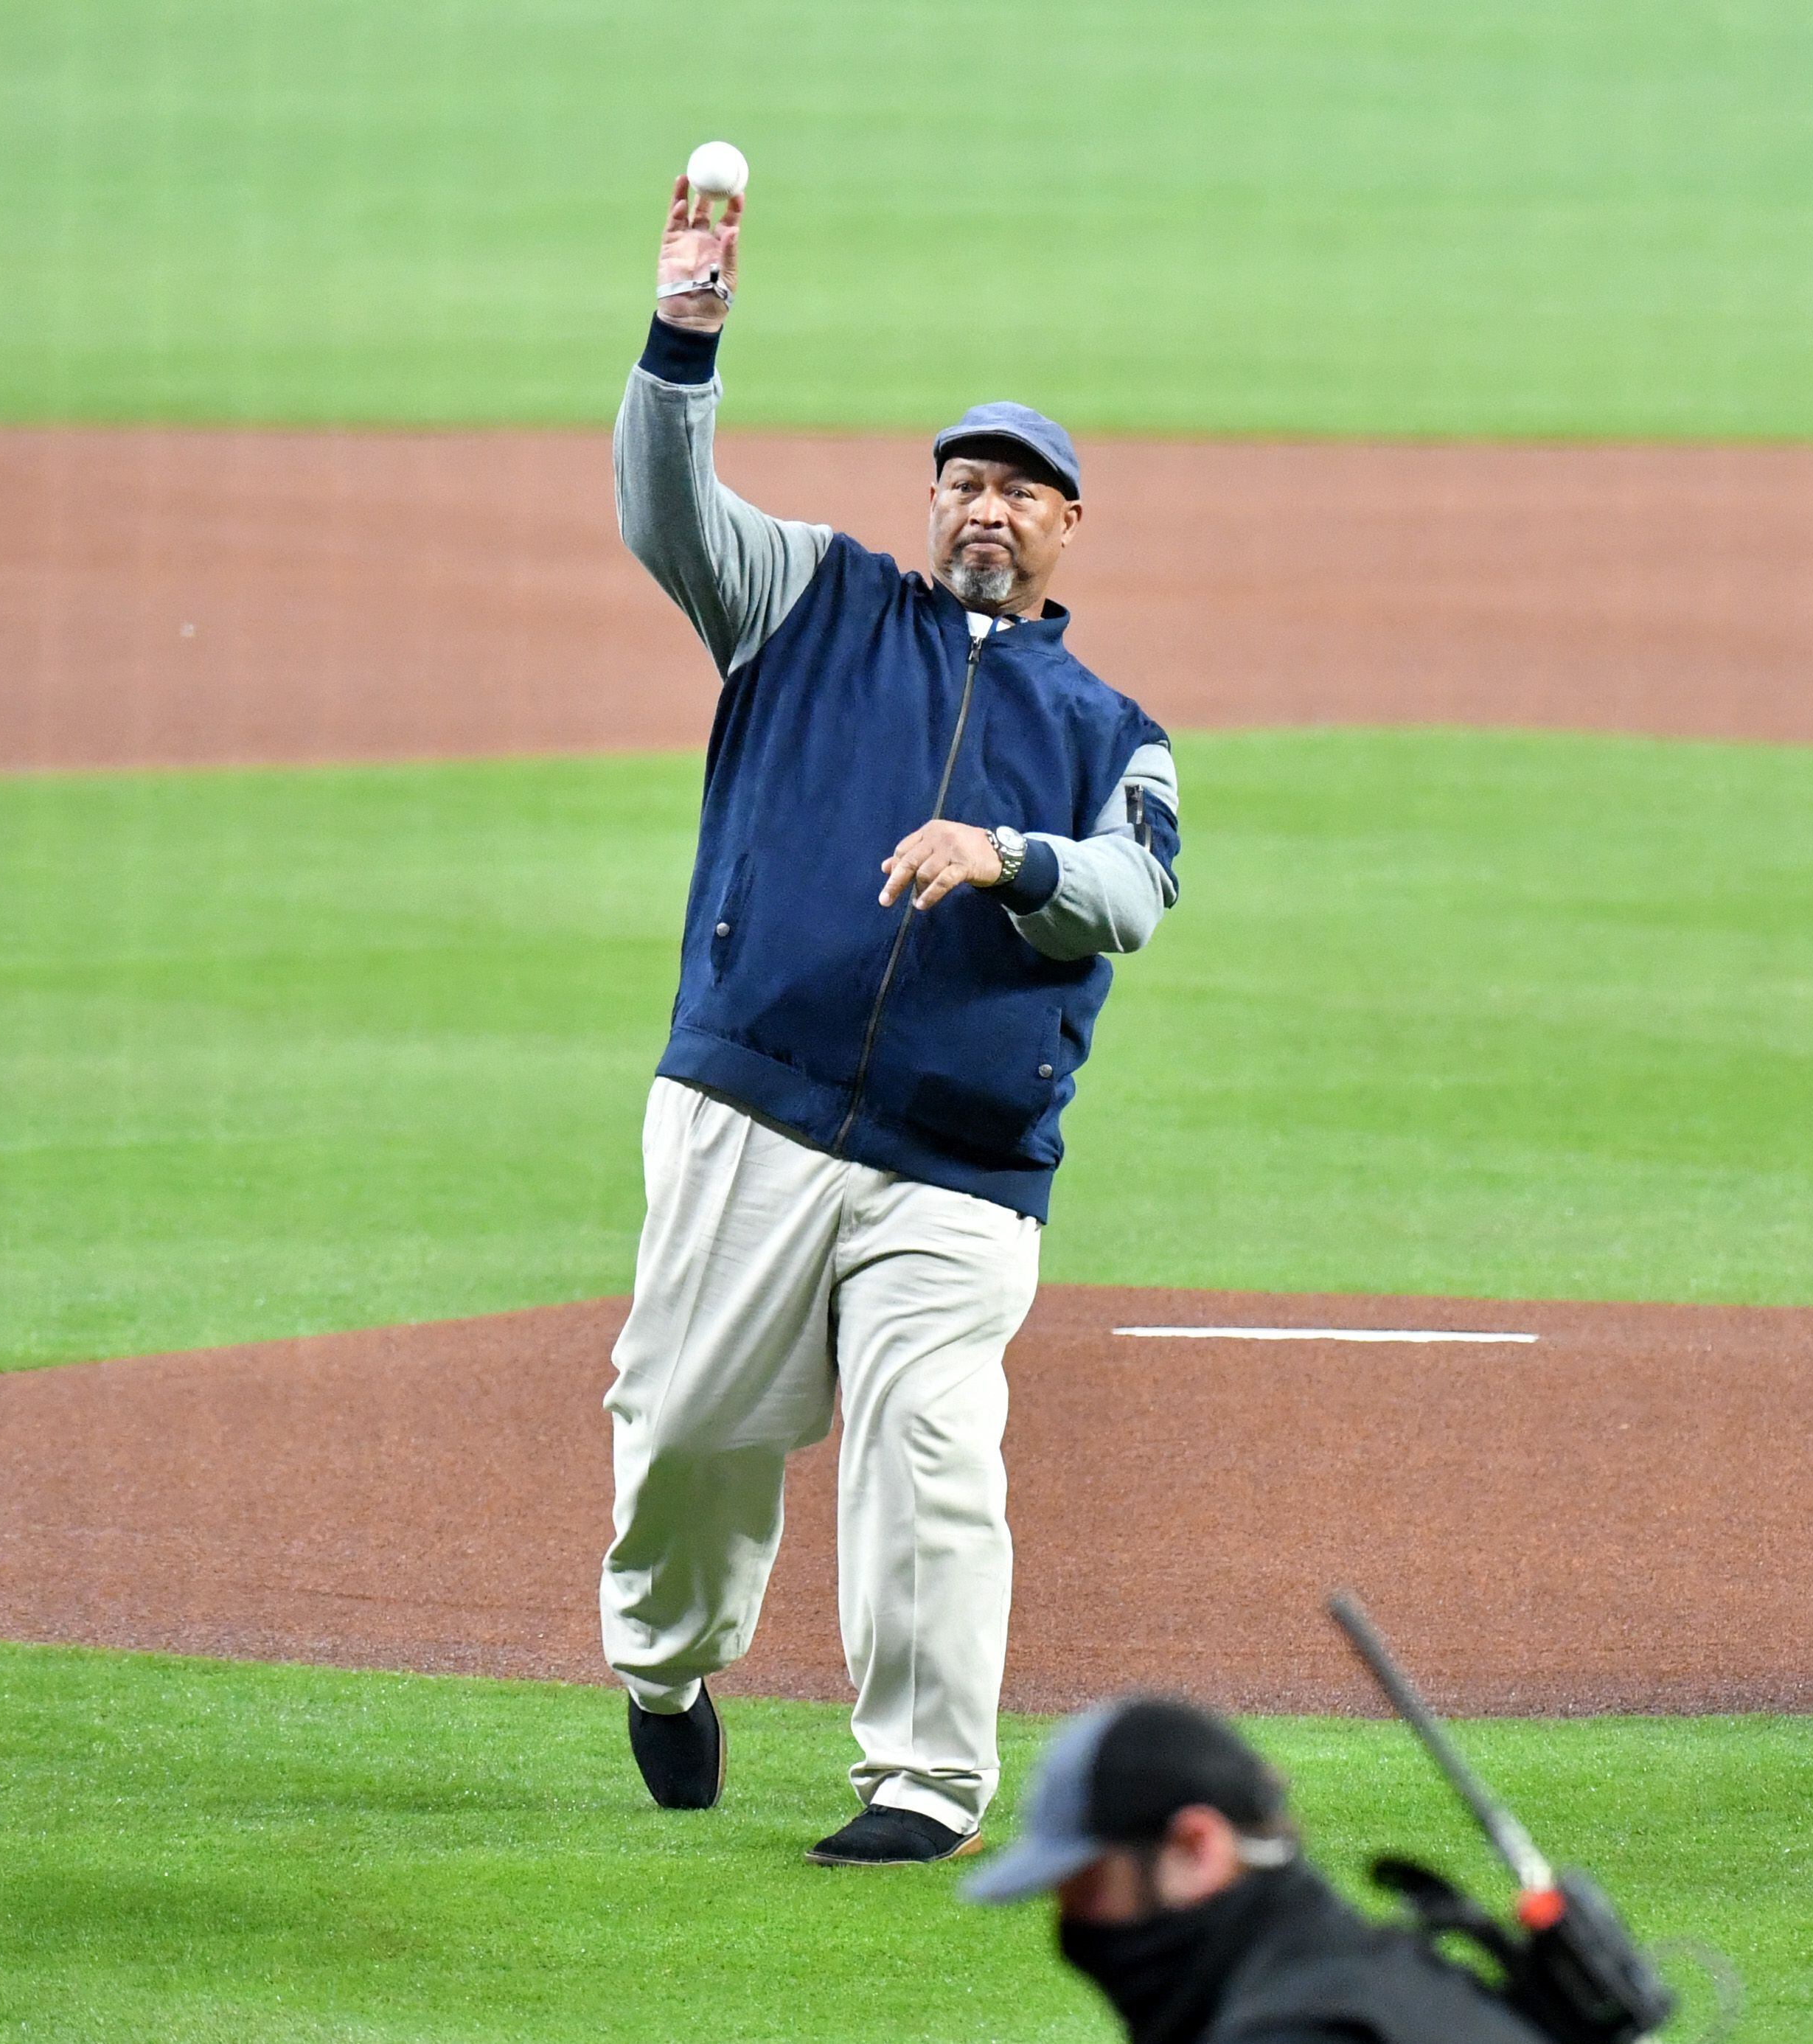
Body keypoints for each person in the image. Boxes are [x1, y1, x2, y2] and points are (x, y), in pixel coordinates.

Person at [602, 174, 1182, 1863]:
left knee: (929, 1445)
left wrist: (1005, 853)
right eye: (964, 479)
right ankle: (665, 1672)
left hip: (962, 1169)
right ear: (928, 503)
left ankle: (924, 1787)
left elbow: (1132, 896)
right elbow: (665, 510)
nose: (985, 506)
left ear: (1071, 526)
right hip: (747, 1109)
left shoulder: (1113, 732)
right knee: (688, 1436)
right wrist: (684, 335)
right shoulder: (807, 602)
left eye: (1021, 488)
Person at [961, 1697, 1552, 2044]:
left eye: (1088, 1883)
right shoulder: (1385, 1972)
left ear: (1199, 1848)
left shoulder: (1296, 2029)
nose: (1070, 1921)